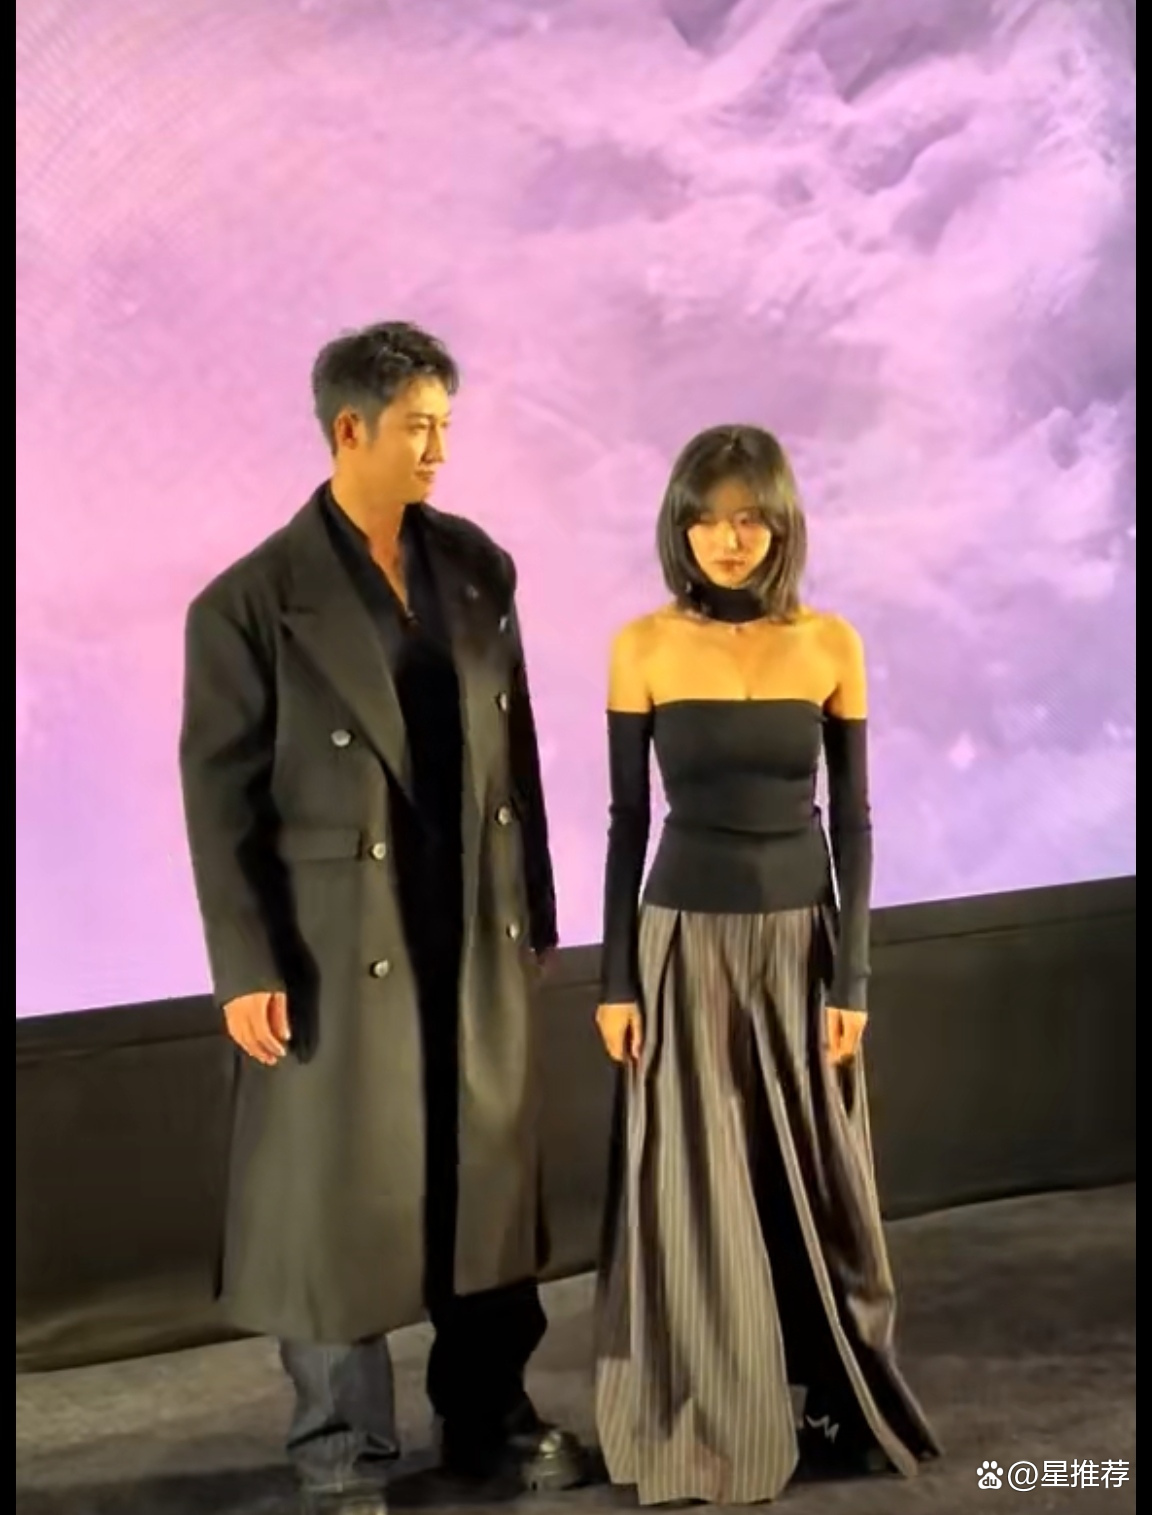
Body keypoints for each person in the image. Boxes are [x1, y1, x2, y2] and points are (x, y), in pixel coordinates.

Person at [179, 321, 585, 1515]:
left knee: (485, 1174)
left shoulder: (476, 565)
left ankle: (488, 1414)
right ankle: (340, 1450)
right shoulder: (249, 603)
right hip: (332, 943)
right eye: (420, 427)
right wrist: (244, 964)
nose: (439, 449)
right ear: (349, 429)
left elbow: (515, 756)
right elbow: (219, 802)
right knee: (334, 1199)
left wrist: (536, 908)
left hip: (471, 927)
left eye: (446, 425)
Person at [591, 425, 942, 1506]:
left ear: (781, 524)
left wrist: (854, 980)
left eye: (748, 517)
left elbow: (857, 825)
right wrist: (615, 981)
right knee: (695, 1190)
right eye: (706, 518)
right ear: (680, 528)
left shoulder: (831, 643)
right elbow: (624, 823)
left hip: (802, 945)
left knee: (823, 1185)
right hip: (681, 942)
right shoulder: (642, 645)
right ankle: (716, 1418)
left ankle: (838, 1394)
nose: (728, 538)